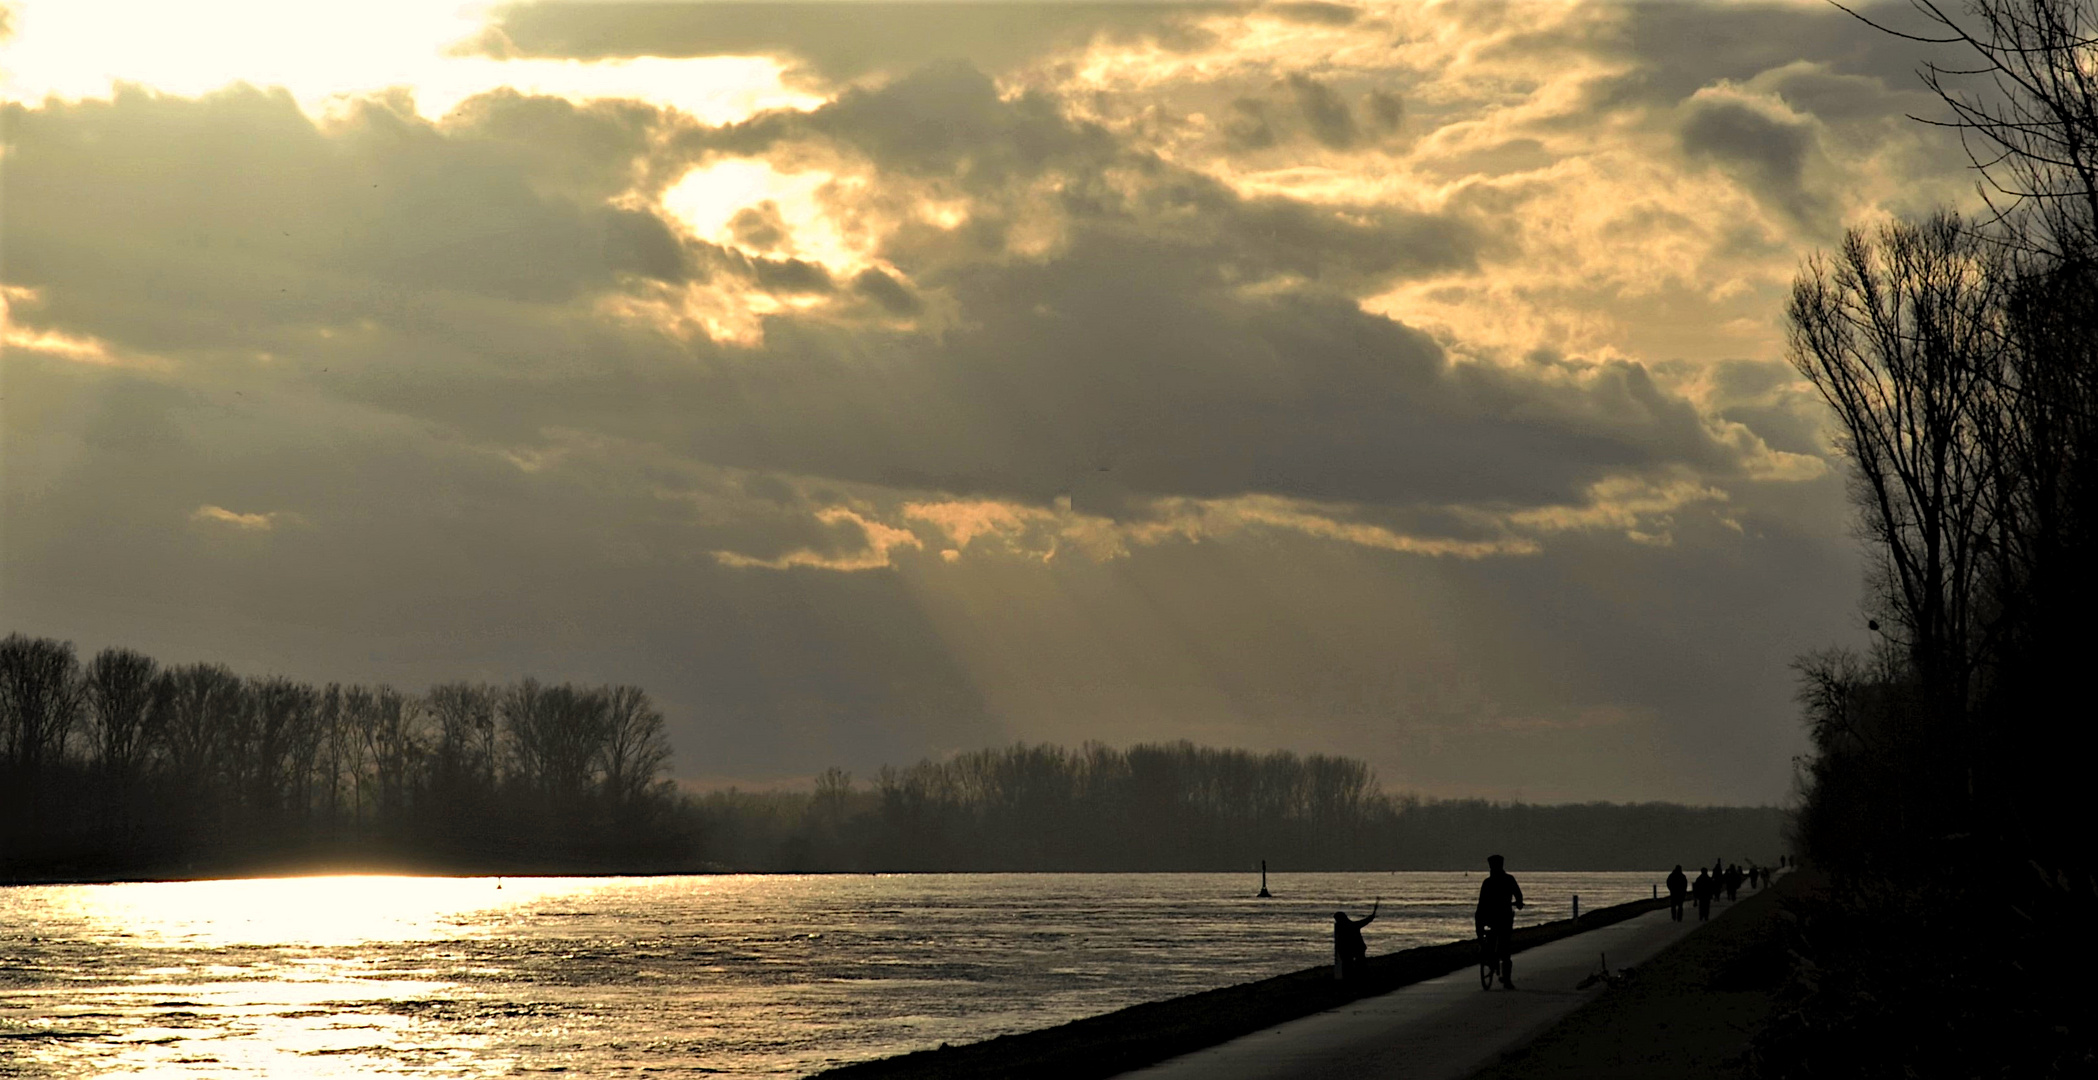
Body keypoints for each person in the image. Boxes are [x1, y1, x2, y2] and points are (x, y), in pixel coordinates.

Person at [1474, 854, 1526, 989]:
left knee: (1483, 926)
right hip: (1504, 917)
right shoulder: (1509, 879)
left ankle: (1482, 943)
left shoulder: (1487, 882)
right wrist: (1519, 903)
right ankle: (1507, 980)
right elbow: (1518, 896)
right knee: (1505, 948)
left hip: (1489, 917)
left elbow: (1481, 903)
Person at [1333, 900, 1379, 981]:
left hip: (1350, 949)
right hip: (1356, 948)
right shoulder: (1352, 925)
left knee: (1349, 965)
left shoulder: (1340, 927)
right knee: (1358, 964)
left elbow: (1339, 942)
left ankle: (1352, 978)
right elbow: (1365, 921)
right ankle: (1361, 977)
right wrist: (1371, 917)